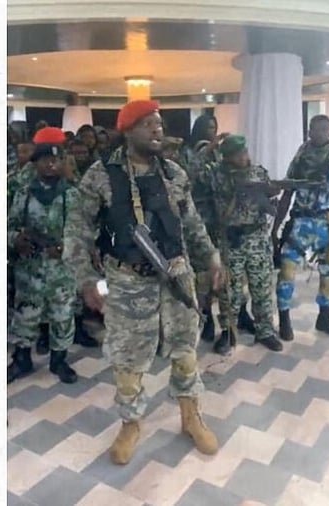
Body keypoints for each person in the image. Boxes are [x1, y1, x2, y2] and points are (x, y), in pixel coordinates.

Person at [64, 99, 222, 465]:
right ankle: (131, 423)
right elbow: (77, 230)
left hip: (177, 275)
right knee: (128, 359)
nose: (157, 129)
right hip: (126, 282)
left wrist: (212, 257)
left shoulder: (173, 173)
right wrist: (87, 279)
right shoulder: (101, 175)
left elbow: (193, 224)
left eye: (160, 123)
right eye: (147, 123)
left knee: (185, 350)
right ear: (127, 129)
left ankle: (190, 415)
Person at [8, 143, 81, 384]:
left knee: (63, 315)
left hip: (61, 270)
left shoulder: (71, 194)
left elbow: (84, 230)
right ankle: (22, 360)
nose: (51, 164)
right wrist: (16, 239)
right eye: (45, 160)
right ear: (35, 163)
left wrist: (65, 247)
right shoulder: (24, 193)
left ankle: (59, 361)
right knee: (25, 316)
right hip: (30, 269)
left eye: (56, 160)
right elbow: (9, 224)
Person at [210, 135, 283, 354]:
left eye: (244, 152)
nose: (243, 157)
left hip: (257, 238)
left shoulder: (259, 172)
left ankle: (265, 330)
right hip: (231, 240)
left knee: (261, 286)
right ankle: (228, 331)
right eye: (237, 154)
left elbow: (269, 203)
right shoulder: (216, 174)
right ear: (227, 157)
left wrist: (271, 197)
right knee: (229, 290)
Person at [272, 115, 329, 340]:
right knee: (286, 270)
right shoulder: (301, 155)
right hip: (301, 221)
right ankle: (284, 319)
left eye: (324, 129)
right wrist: (275, 227)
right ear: (309, 131)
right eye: (315, 129)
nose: (320, 133)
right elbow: (288, 191)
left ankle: (325, 317)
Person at [186, 115, 255, 344]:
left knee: (233, 273)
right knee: (205, 276)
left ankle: (239, 314)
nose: (212, 132)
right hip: (201, 222)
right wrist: (210, 148)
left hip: (223, 221)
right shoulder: (192, 152)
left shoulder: (223, 156)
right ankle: (206, 318)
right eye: (207, 128)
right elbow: (191, 174)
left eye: (214, 127)